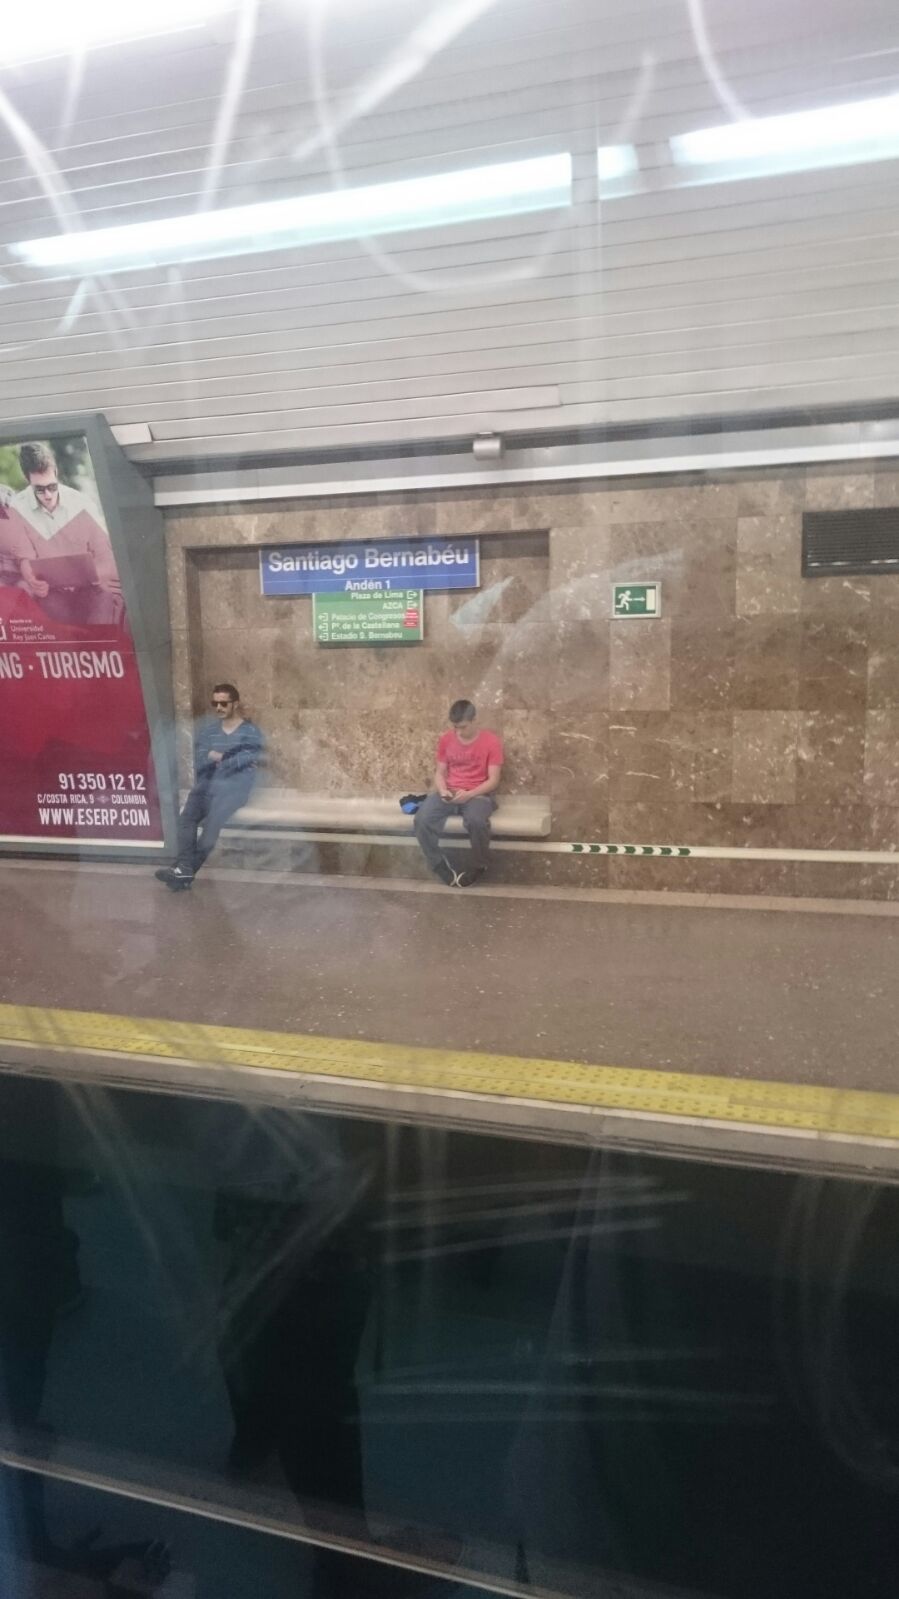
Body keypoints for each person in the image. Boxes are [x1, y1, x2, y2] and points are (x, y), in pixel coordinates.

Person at [155, 684, 264, 892]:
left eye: (224, 703)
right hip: (207, 784)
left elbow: (246, 760)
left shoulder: (250, 731)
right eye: (215, 703)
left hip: (235, 788)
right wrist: (228, 758)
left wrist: (218, 757)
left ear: (235, 704)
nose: (219, 707)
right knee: (186, 819)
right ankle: (184, 868)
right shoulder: (209, 731)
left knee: (211, 825)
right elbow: (201, 758)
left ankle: (184, 870)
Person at [11, 441, 122, 629]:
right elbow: (22, 557)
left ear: (56, 472)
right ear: (27, 479)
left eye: (52, 486)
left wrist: (97, 575)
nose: (48, 495)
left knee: (103, 605)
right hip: (51, 592)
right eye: (39, 489)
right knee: (54, 614)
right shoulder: (17, 508)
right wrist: (31, 578)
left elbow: (106, 555)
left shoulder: (81, 503)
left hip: (90, 587)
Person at [414, 699, 503, 888]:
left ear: (475, 720)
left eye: (463, 727)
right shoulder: (446, 739)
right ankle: (438, 864)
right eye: (455, 727)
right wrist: (443, 790)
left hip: (478, 793)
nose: (459, 732)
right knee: (422, 819)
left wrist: (469, 794)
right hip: (450, 791)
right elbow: (440, 772)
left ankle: (480, 865)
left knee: (476, 821)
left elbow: (493, 780)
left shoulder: (491, 741)